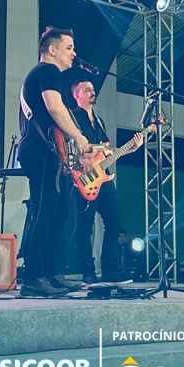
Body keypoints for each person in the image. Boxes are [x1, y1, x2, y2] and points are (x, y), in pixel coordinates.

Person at [17, 27, 91, 297]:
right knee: (46, 210)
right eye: (68, 47)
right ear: (52, 49)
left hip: (47, 152)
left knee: (59, 212)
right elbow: (54, 108)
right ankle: (33, 276)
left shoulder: (46, 74)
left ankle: (51, 273)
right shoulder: (47, 71)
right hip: (40, 151)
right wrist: (79, 137)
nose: (73, 53)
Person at [70, 79, 143, 283]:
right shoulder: (72, 118)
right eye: (87, 90)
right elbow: (72, 148)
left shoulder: (99, 121)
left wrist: (132, 148)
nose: (92, 92)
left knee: (114, 223)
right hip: (84, 179)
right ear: (77, 95)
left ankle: (109, 271)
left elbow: (107, 152)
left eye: (93, 89)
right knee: (85, 227)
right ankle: (88, 274)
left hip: (104, 179)